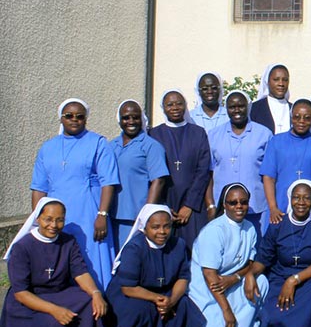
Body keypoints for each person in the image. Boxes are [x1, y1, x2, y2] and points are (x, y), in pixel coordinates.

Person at [0, 198, 108, 327]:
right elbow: (21, 293)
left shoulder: (68, 241)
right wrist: (54, 310)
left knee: (90, 303)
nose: (54, 225)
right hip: (30, 298)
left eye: (60, 220)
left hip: (59, 292)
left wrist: (96, 293)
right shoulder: (22, 247)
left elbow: (80, 272)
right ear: (38, 218)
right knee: (53, 322)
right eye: (48, 219)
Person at [31, 98, 120, 289]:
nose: (74, 119)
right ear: (61, 118)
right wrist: (37, 220)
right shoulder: (47, 148)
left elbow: (108, 183)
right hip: (55, 215)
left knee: (90, 257)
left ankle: (97, 298)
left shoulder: (98, 143)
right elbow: (39, 187)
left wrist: (102, 214)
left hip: (88, 212)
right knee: (58, 257)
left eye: (80, 116)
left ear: (85, 119)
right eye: (69, 116)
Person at [106, 204, 206, 327]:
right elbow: (128, 288)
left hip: (164, 292)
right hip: (134, 293)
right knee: (139, 309)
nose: (162, 232)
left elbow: (183, 278)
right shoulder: (134, 248)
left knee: (183, 304)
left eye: (167, 226)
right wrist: (158, 299)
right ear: (144, 228)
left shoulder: (178, 244)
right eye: (155, 227)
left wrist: (171, 301)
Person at [250, 180, 311, 327]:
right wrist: (249, 275)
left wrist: (294, 280)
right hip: (280, 278)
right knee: (274, 319)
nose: (301, 202)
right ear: (290, 199)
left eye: (306, 198)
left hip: (310, 280)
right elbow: (263, 259)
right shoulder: (278, 225)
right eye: (297, 197)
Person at [188, 183, 267, 327]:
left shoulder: (250, 228)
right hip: (208, 289)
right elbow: (209, 275)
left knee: (261, 281)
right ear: (224, 204)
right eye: (233, 202)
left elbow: (250, 263)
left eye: (243, 202)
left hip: (232, 283)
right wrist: (226, 310)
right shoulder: (214, 230)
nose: (239, 206)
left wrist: (235, 278)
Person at [149, 89, 211, 249]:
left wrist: (189, 205)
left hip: (193, 206)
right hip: (165, 203)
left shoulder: (198, 133)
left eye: (179, 103)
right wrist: (163, 207)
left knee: (194, 249)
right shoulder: (154, 134)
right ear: (163, 108)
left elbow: (203, 171)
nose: (175, 108)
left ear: (185, 105)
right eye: (170, 104)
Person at [260, 98, 311, 226]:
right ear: (291, 117)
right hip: (281, 205)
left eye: (307, 118)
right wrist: (273, 207)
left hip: (310, 206)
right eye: (297, 117)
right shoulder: (276, 141)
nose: (301, 121)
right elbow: (269, 177)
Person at [206, 90, 272, 235]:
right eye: (232, 107)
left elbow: (270, 174)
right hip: (223, 207)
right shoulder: (214, 135)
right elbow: (208, 174)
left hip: (255, 206)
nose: (236, 110)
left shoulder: (264, 134)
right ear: (226, 109)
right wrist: (210, 205)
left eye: (241, 106)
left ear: (248, 107)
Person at [110, 99, 168, 250]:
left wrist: (146, 213)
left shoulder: (151, 146)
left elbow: (159, 180)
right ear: (119, 120)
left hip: (135, 216)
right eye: (126, 118)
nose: (131, 121)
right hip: (111, 214)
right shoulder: (111, 145)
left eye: (135, 117)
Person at [250, 63, 292, 134]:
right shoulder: (254, 109)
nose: (281, 84)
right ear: (267, 82)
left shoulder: (294, 109)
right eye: (276, 79)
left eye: (285, 80)